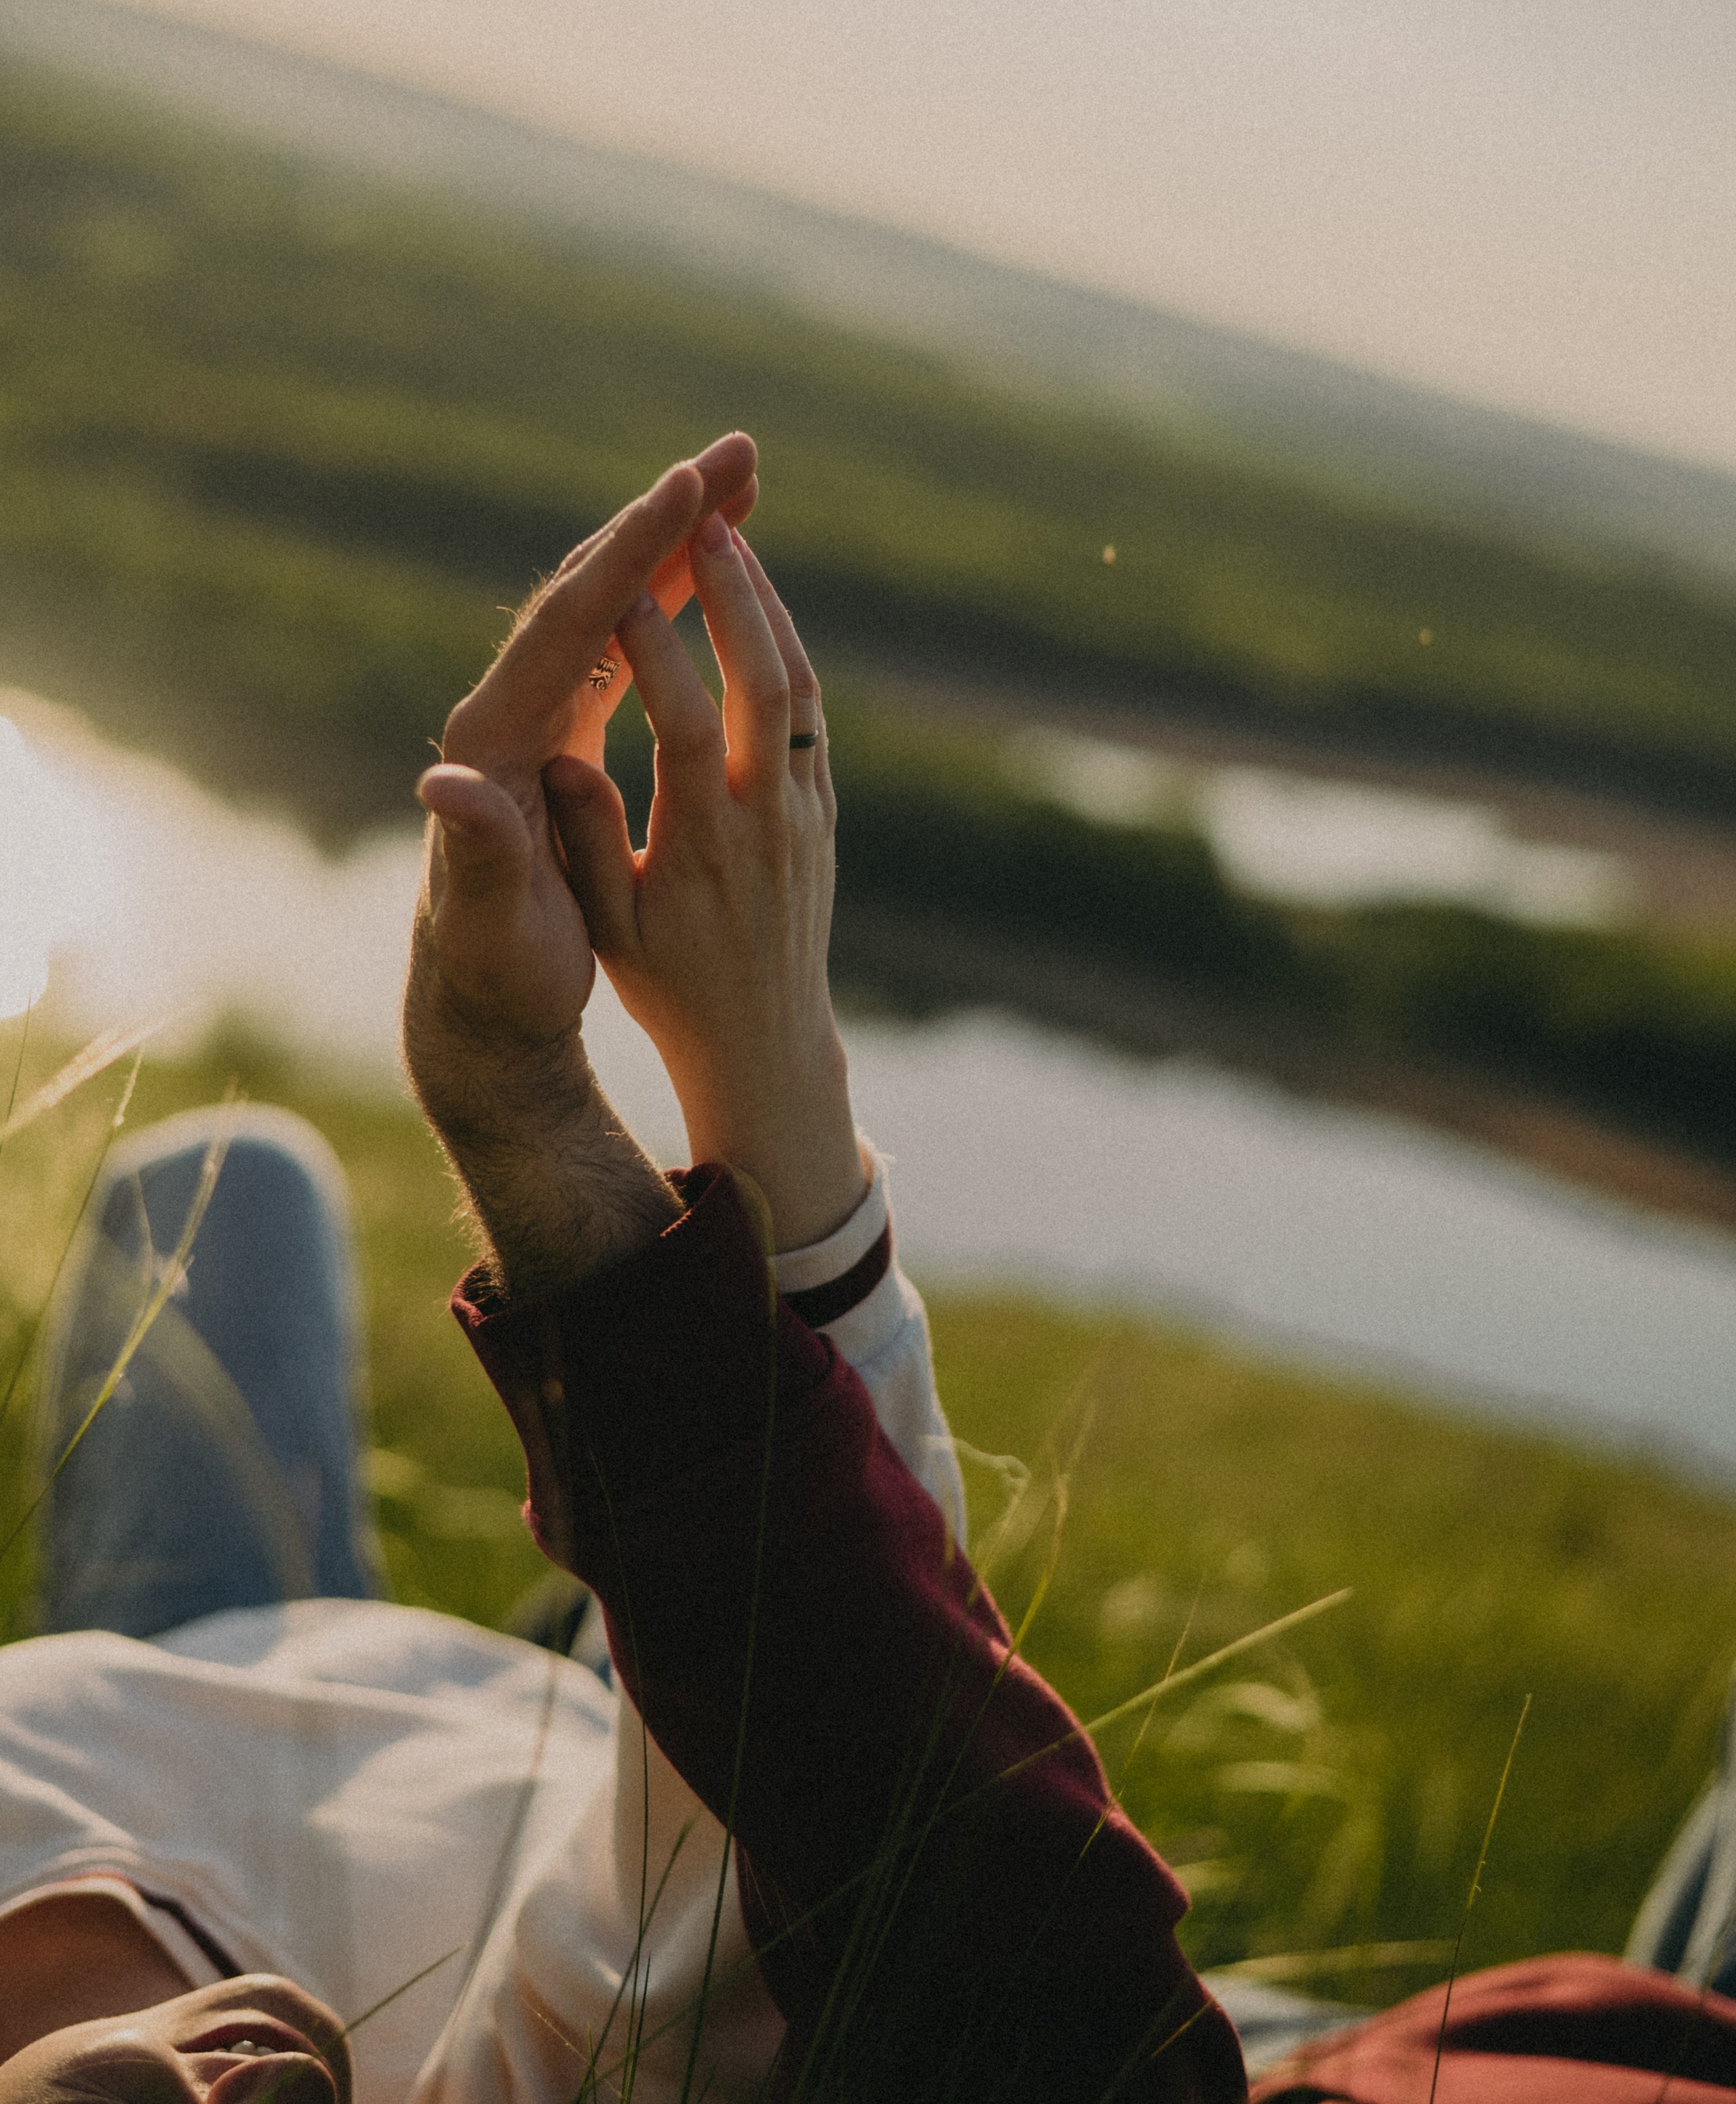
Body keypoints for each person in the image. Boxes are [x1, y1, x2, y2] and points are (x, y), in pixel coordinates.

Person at [1, 432, 1734, 2104]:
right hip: (620, 1801)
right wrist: (734, 1094)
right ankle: (604, 1622)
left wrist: (569, 1102)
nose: (247, 2089)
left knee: (217, 1184)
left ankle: (599, 1616)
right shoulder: (584, 2037)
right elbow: (954, 1930)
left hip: (305, 1707)